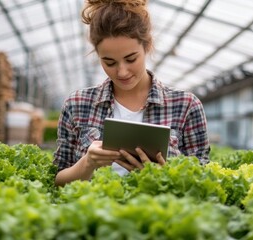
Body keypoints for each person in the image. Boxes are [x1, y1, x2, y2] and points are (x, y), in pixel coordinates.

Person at [53, 0, 210, 186]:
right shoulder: (77, 104)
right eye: (109, 62)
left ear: (147, 46)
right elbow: (57, 181)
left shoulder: (185, 105)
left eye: (131, 59)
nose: (122, 72)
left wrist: (163, 176)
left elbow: (203, 181)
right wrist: (87, 163)